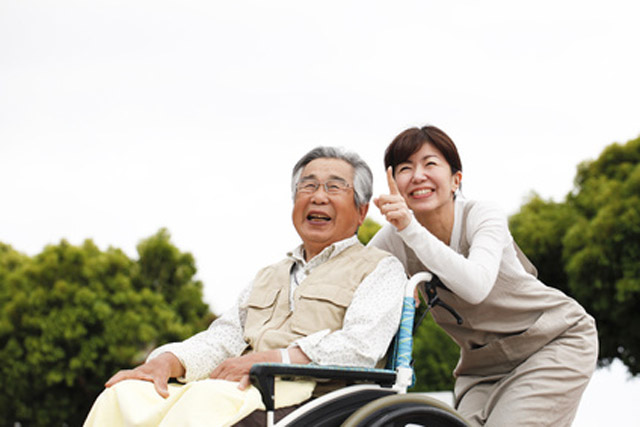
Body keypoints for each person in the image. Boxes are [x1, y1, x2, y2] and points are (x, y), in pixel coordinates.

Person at [84, 146, 407, 426]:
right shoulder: (269, 274)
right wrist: (165, 362)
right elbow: (223, 339)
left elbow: (360, 349)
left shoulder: (380, 268)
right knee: (125, 395)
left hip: (313, 396)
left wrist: (271, 359)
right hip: (240, 387)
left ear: (362, 210)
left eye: (335, 187)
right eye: (307, 186)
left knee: (206, 400)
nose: (318, 196)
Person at [370, 125, 598, 426]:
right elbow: (354, 283)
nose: (418, 175)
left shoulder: (483, 215)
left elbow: (475, 286)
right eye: (404, 167)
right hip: (480, 368)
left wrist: (410, 229)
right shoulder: (392, 238)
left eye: (430, 163)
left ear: (456, 180)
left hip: (551, 340)